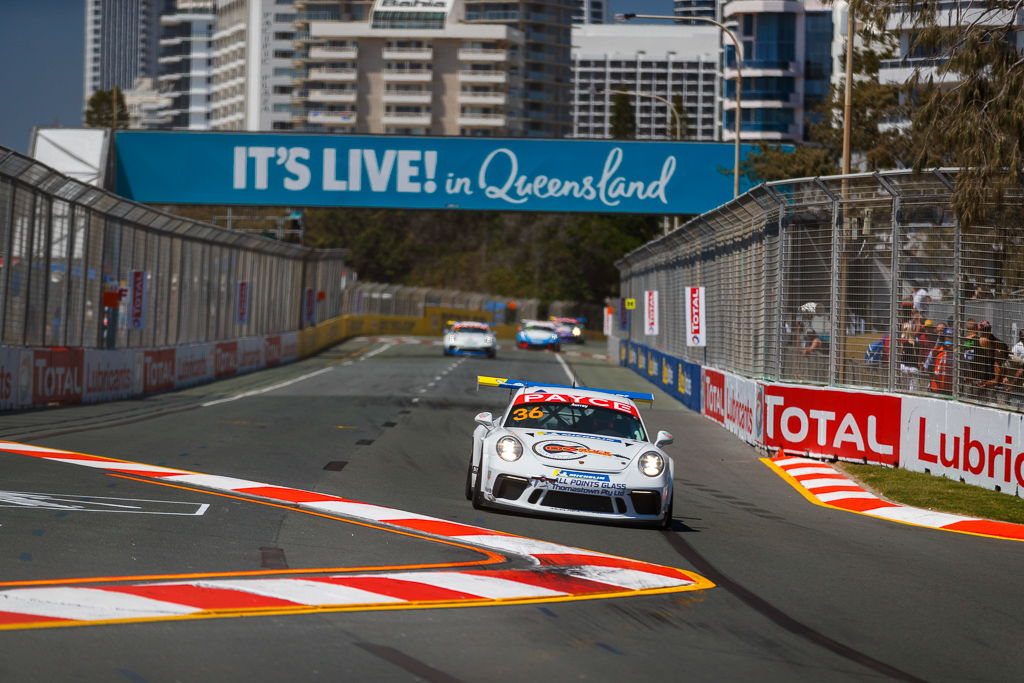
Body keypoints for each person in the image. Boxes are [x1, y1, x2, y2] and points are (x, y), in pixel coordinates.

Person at [974, 321, 1009, 400]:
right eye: (982, 330)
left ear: (990, 330)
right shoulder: (977, 342)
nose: (984, 332)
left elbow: (998, 377)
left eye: (986, 330)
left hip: (994, 383)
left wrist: (986, 384)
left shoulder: (998, 345)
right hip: (982, 379)